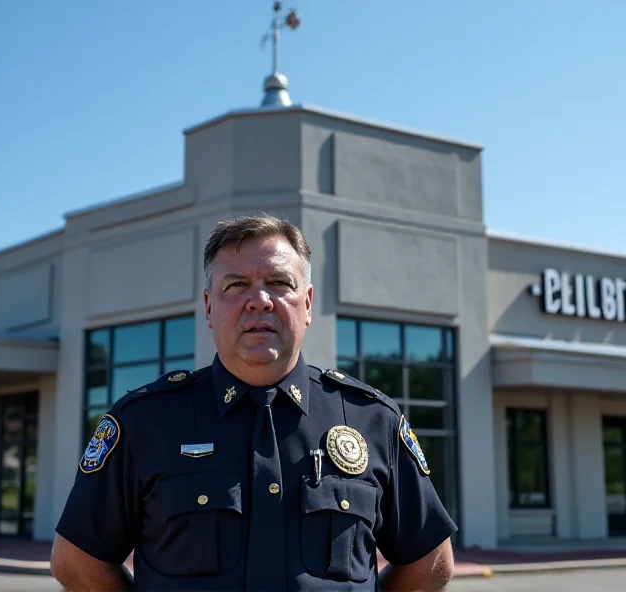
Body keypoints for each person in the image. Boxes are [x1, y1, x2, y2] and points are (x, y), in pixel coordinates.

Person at [50, 215, 457, 591]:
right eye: (236, 285)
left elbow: (431, 562)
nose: (259, 300)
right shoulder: (144, 422)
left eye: (280, 283)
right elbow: (77, 561)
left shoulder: (372, 421)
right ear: (210, 307)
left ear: (308, 304)